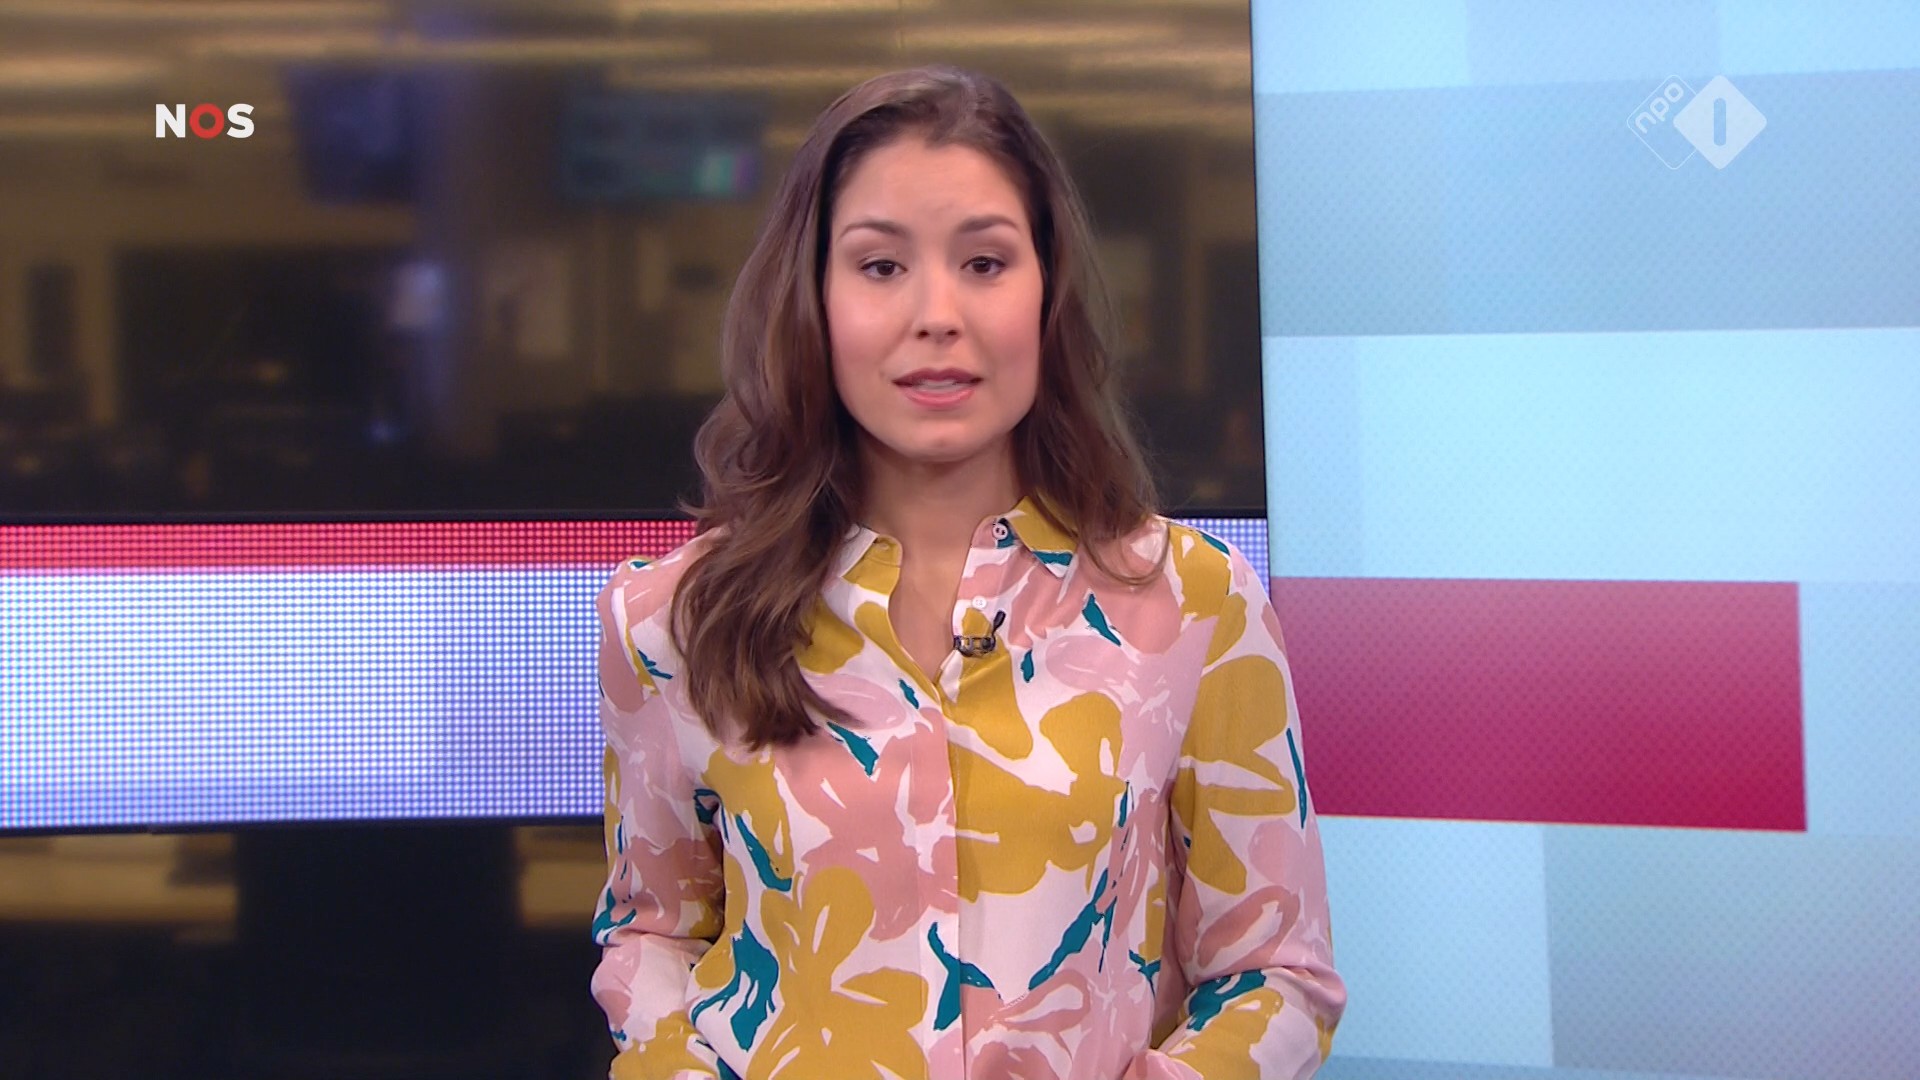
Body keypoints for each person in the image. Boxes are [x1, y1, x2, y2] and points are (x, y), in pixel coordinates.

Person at [590, 65, 1344, 1079]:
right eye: (880, 266)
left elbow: (1274, 973)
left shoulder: (1195, 603)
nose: (937, 314)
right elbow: (652, 934)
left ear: (1048, 291)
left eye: (985, 262)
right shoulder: (672, 619)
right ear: (813, 298)